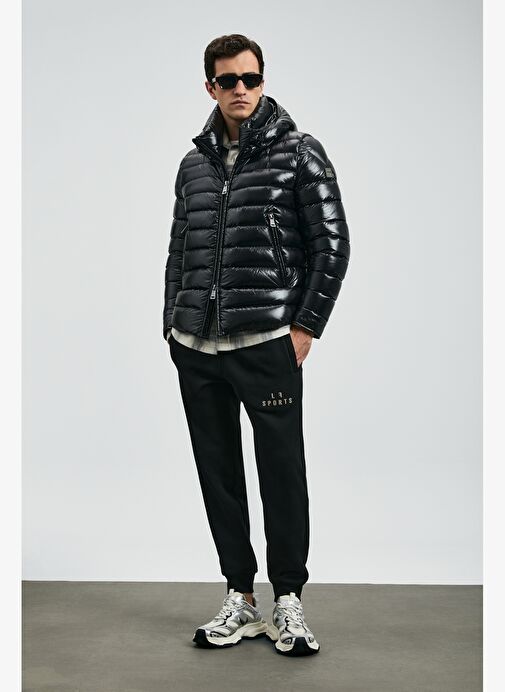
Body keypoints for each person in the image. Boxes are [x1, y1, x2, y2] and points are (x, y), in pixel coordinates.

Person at [162, 34, 350, 657]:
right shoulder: (193, 165)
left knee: (281, 472)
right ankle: (240, 597)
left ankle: (288, 599)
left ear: (262, 82)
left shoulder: (300, 152)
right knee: (218, 474)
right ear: (210, 87)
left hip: (268, 342)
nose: (240, 89)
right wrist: (173, 324)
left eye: (250, 78)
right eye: (228, 80)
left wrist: (306, 326)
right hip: (197, 347)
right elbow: (179, 251)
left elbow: (332, 245)